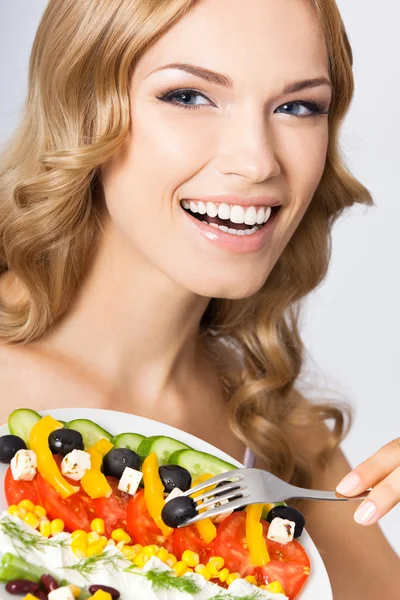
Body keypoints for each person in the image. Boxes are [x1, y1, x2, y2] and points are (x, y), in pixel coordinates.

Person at [0, 0, 398, 596]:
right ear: (83, 108)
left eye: (297, 107)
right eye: (188, 96)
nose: (257, 161)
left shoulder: (284, 441)